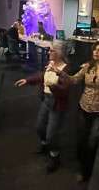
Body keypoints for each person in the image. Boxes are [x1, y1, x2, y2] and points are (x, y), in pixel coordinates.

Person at [65, 41, 99, 182]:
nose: (95, 52)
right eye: (94, 50)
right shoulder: (88, 66)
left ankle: (91, 170)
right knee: (81, 139)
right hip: (84, 107)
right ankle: (83, 168)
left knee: (93, 141)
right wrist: (61, 74)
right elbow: (74, 80)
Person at [15, 42, 70, 172]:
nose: (49, 52)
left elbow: (64, 91)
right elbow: (42, 76)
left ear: (60, 53)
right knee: (40, 127)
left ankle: (54, 156)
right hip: (46, 100)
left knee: (51, 135)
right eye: (49, 50)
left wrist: (53, 86)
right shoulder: (51, 64)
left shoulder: (65, 69)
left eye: (52, 50)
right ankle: (45, 145)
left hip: (57, 103)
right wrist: (28, 80)